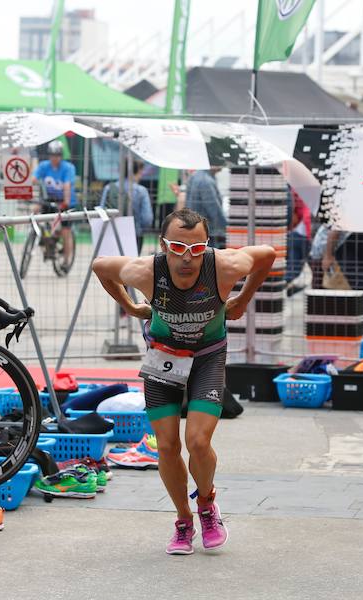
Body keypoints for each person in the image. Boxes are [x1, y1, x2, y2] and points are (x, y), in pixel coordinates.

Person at [92, 208, 275, 556]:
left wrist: (241, 300)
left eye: (196, 248)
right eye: (177, 247)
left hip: (207, 356)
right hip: (164, 357)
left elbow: (266, 256)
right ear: (163, 246)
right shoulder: (145, 271)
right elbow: (101, 265)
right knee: (166, 447)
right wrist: (130, 305)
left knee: (198, 442)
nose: (187, 258)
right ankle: (183, 519)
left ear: (207, 246)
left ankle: (207, 504)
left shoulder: (223, 265)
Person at [323, 230, 363, 334]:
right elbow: (335, 228)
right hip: (348, 248)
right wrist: (328, 255)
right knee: (362, 290)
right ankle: (355, 332)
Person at [34, 139, 76, 269]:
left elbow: (67, 186)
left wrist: (66, 202)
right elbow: (34, 180)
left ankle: (66, 261)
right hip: (49, 200)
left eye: (57, 155)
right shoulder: (43, 166)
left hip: (65, 201)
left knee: (65, 231)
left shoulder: (68, 168)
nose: (54, 158)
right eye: (52, 155)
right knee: (39, 219)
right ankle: (47, 242)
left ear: (61, 156)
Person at [99, 160, 154, 254]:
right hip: (135, 235)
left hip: (112, 233)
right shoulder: (141, 191)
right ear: (135, 172)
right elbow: (147, 219)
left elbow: (101, 212)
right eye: (140, 173)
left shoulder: (108, 188)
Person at [184, 169, 227, 249]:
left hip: (195, 228)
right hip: (208, 230)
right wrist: (227, 227)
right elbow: (214, 210)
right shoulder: (206, 181)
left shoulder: (196, 176)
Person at [285, 189, 312, 295]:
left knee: (294, 266)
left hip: (294, 233)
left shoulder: (295, 190)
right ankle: (285, 285)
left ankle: (285, 285)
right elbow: (307, 216)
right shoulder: (308, 195)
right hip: (303, 235)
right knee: (299, 266)